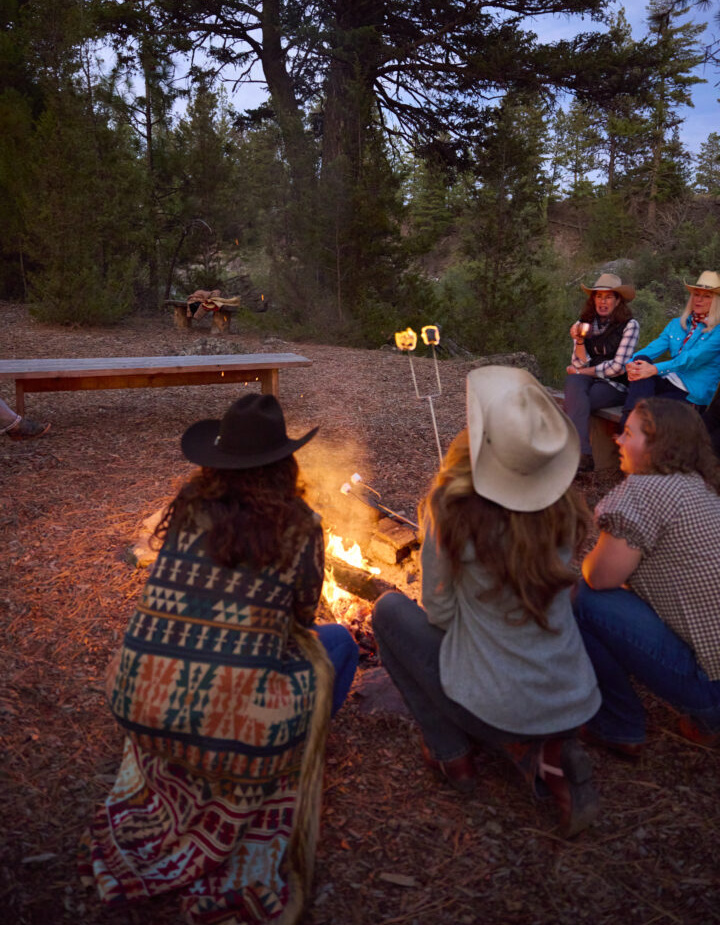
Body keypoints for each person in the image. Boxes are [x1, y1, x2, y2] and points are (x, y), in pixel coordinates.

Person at [80, 393, 359, 924]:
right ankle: (277, 747)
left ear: (218, 460)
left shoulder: (185, 507)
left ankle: (192, 735)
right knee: (340, 645)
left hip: (137, 700)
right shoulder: (300, 524)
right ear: (285, 464)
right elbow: (301, 620)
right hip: (241, 738)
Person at [372, 366, 601, 838]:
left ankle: (451, 753)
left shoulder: (450, 509)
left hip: (497, 704)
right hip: (573, 693)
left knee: (389, 612)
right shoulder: (563, 506)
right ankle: (546, 752)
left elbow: (439, 614)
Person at [574, 398, 720, 756]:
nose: (617, 440)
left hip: (710, 692)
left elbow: (600, 577)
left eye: (627, 433)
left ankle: (618, 725)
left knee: (581, 598)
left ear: (657, 445)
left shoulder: (645, 491)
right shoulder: (701, 488)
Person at [622, 270, 720, 421]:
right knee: (640, 359)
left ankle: (630, 423)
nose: (698, 300)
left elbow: (691, 359)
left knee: (644, 411)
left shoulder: (717, 331)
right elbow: (651, 349)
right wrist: (630, 364)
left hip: (689, 394)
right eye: (696, 294)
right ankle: (634, 420)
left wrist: (654, 369)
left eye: (706, 296)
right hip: (666, 381)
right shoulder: (676, 324)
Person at [564, 272, 638, 472]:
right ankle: (584, 455)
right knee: (573, 385)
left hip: (615, 384)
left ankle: (573, 454)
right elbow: (578, 363)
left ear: (617, 301)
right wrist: (579, 340)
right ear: (593, 299)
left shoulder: (629, 326)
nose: (602, 302)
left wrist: (581, 372)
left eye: (608, 297)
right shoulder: (584, 323)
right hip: (589, 379)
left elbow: (617, 368)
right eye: (598, 296)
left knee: (576, 398)